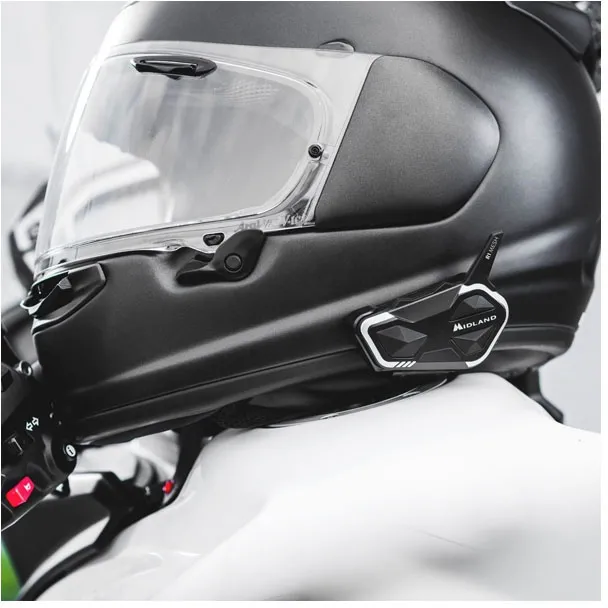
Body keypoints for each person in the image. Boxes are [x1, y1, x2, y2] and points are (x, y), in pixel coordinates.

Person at [11, 1, 601, 600]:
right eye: (182, 183)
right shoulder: (210, 487)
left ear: (419, 155)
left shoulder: (525, 505)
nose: (175, 219)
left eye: (226, 168)